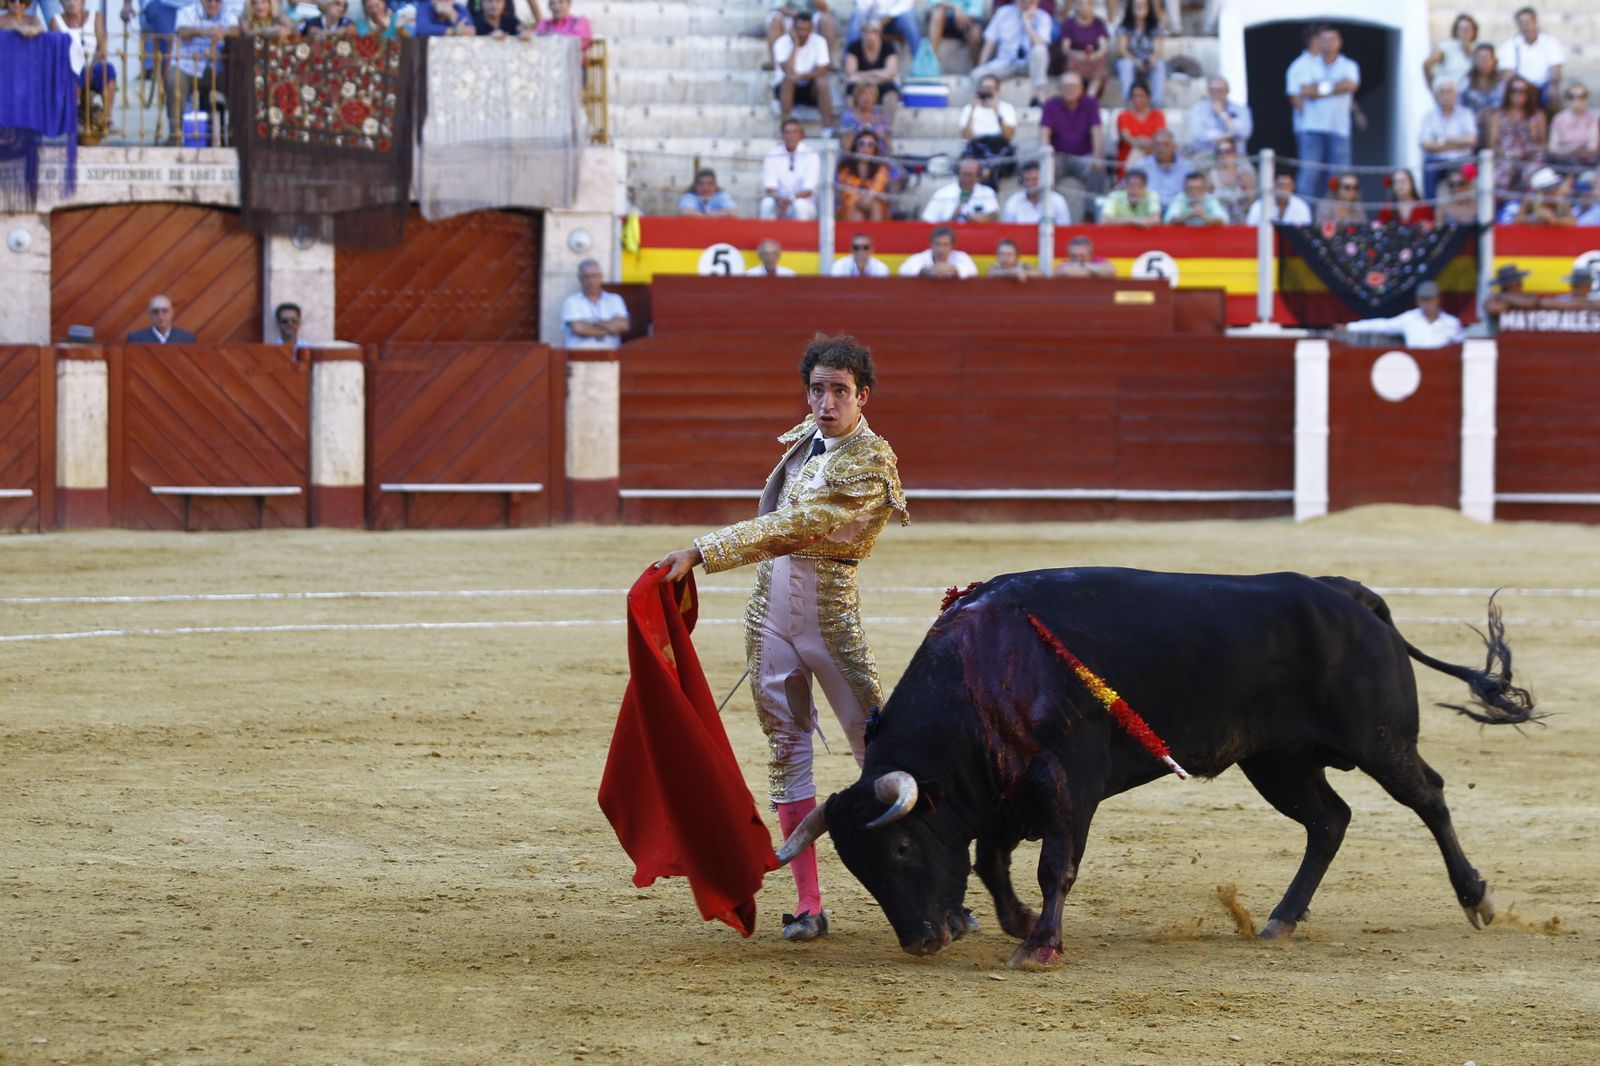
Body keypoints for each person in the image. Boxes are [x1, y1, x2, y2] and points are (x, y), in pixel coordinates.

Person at [652, 335, 907, 944]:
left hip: (830, 621)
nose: (825, 401)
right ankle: (808, 904)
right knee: (786, 751)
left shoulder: (871, 458)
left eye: (839, 391)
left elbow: (800, 525)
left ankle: (924, 890)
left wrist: (703, 550)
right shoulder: (800, 444)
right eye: (816, 389)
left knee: (880, 756)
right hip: (770, 617)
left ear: (862, 395)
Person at [1289, 25, 1360, 201]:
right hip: (1312, 128)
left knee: (1340, 178)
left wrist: (1319, 88)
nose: (1328, 44)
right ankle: (1305, 219)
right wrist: (1336, 86)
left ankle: (1338, 220)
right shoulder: (1305, 65)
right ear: (1318, 42)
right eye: (1324, 40)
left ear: (1340, 42)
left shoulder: (1349, 65)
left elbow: (1351, 85)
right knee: (1309, 175)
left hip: (1339, 129)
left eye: (1332, 40)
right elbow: (1304, 91)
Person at [166, 0, 237, 147]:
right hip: (187, 66)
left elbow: (237, 29)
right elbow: (181, 30)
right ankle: (175, 135)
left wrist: (226, 33)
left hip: (217, 68)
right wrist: (203, 31)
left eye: (217, 1)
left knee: (237, 84)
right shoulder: (187, 11)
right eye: (209, 1)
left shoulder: (228, 11)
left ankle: (235, 135)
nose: (213, 4)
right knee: (174, 82)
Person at [1040, 72, 1107, 202]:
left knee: (1098, 172)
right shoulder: (1050, 105)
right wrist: (1049, 158)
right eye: (1066, 86)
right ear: (1059, 89)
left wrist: (1097, 157)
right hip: (1059, 156)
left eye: (1074, 86)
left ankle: (1091, 215)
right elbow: (1044, 134)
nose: (1070, 89)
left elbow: (1097, 132)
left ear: (1081, 88)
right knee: (1046, 171)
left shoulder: (1091, 104)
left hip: (1084, 156)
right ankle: (1052, 212)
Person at [51, 0, 118, 128]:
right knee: (71, 77)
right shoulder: (56, 21)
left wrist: (90, 68)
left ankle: (107, 118)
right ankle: (73, 119)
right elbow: (58, 52)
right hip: (70, 66)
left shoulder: (95, 16)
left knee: (108, 70)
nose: (71, 3)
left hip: (93, 65)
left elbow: (102, 48)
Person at [972, 0, 1051, 104]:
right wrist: (981, 65)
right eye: (1023, 2)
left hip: (1030, 64)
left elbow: (1040, 43)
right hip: (1006, 63)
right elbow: (989, 43)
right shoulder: (1003, 13)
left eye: (1030, 2)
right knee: (977, 74)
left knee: (1040, 50)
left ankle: (1038, 96)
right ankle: (987, 103)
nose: (1026, 5)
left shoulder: (1043, 17)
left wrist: (1027, 23)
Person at [1344, 281, 1464, 348]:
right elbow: (1383, 325)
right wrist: (1350, 326)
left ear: (1438, 299)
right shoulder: (1410, 319)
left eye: (1430, 300)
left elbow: (1461, 346)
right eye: (1424, 300)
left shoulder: (1452, 323)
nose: (1427, 304)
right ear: (1418, 301)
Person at [773, 12, 836, 130]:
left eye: (806, 29)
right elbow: (788, 70)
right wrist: (795, 44)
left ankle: (827, 125)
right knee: (789, 80)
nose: (802, 33)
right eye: (799, 29)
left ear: (812, 29)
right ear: (792, 29)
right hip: (786, 87)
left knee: (822, 81)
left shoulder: (819, 41)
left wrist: (801, 77)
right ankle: (786, 124)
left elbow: (822, 70)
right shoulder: (781, 43)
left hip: (809, 87)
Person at [1486, 76, 1547, 196]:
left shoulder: (1538, 116)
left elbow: (1543, 143)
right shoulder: (1498, 115)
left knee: (1532, 175)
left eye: (1522, 91)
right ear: (1508, 93)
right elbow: (1492, 144)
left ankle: (1526, 210)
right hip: (1506, 156)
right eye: (1514, 91)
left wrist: (1530, 152)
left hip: (1531, 157)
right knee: (1501, 175)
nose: (1517, 95)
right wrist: (1508, 154)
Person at [1419, 78, 1478, 199]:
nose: (1446, 95)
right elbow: (1426, 144)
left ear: (1456, 94)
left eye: (1449, 91)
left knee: (1470, 172)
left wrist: (1442, 140)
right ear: (1436, 95)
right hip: (1437, 161)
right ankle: (1432, 212)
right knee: (1430, 172)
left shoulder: (1466, 114)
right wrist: (1458, 142)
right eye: (1442, 92)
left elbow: (1471, 140)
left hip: (1461, 160)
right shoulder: (1428, 117)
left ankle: (1470, 214)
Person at [1496, 6, 1563, 109]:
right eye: (1522, 23)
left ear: (1535, 22)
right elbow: (1508, 73)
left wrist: (1553, 85)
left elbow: (1555, 68)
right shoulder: (1510, 45)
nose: (1526, 26)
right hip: (1522, 86)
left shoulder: (1551, 42)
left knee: (1553, 94)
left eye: (1528, 22)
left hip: (1543, 85)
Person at [958, 74, 1018, 185]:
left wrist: (996, 111)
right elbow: (966, 136)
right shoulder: (968, 109)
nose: (988, 91)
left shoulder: (1006, 108)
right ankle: (986, 173)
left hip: (999, 147)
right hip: (977, 147)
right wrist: (972, 109)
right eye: (985, 88)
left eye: (991, 88)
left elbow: (1008, 136)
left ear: (997, 90)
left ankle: (985, 173)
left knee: (1001, 156)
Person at [760, 118, 821, 221]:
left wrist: (790, 199)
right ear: (782, 135)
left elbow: (809, 190)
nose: (790, 136)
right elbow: (770, 187)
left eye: (794, 132)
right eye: (787, 132)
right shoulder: (772, 154)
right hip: (779, 201)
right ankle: (767, 236)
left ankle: (800, 237)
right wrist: (781, 200)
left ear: (801, 135)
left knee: (799, 205)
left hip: (803, 203)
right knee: (767, 204)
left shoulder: (811, 155)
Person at [560, 260, 629, 349]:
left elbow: (623, 326)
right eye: (586, 277)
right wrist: (610, 326)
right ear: (580, 279)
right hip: (579, 354)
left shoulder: (615, 299)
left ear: (601, 277)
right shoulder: (572, 301)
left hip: (610, 354)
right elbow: (579, 329)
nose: (591, 280)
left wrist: (592, 323)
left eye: (594, 276)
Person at [1185, 76, 1253, 161]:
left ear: (1227, 91)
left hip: (1234, 156)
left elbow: (1244, 132)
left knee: (1247, 171)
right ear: (1208, 92)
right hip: (1206, 154)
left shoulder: (1240, 109)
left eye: (1220, 90)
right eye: (1213, 90)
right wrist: (1220, 137)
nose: (1216, 93)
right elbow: (1198, 134)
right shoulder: (1198, 108)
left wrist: (1223, 114)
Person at [844, 19, 901, 117]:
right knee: (851, 91)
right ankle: (854, 125)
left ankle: (887, 129)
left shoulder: (888, 47)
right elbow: (851, 74)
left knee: (891, 92)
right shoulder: (854, 47)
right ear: (862, 33)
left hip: (879, 84)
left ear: (880, 33)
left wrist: (863, 75)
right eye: (866, 31)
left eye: (874, 31)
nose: (870, 35)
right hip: (863, 85)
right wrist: (879, 74)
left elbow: (891, 73)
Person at [1114, 0, 1166, 107]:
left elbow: (1158, 50)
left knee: (1160, 65)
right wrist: (1136, 61)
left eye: (1143, 5)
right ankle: (1128, 101)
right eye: (1137, 5)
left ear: (1148, 7)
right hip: (1131, 60)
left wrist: (1152, 59)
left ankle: (1157, 103)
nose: (1140, 7)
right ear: (1131, 8)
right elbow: (1121, 50)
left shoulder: (1155, 27)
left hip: (1148, 62)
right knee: (1125, 64)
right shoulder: (1124, 27)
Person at [920, 157, 999, 223]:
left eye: (971, 175)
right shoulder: (942, 194)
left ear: (978, 176)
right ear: (958, 174)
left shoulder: (987, 192)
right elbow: (927, 221)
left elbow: (994, 216)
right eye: (965, 174)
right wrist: (952, 218)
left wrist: (978, 219)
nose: (967, 179)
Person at [835, 131, 892, 221]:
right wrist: (860, 200)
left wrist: (867, 200)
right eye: (861, 143)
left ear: (875, 149)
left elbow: (877, 188)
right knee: (858, 214)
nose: (865, 148)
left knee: (875, 204)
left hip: (872, 203)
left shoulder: (881, 168)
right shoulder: (846, 167)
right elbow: (847, 191)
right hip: (850, 205)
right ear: (856, 146)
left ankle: (876, 234)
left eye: (870, 145)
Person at [766, 0, 838, 71]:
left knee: (827, 20)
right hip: (790, 16)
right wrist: (799, 17)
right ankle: (774, 62)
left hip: (813, 16)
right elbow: (779, 6)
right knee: (775, 20)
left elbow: (825, 8)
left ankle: (828, 62)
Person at [1058, 0, 1108, 99]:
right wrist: (1078, 55)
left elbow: (1103, 47)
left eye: (1088, 4)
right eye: (1081, 4)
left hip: (1093, 58)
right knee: (1072, 63)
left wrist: (1094, 55)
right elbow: (1065, 48)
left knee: (1100, 66)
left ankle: (1090, 99)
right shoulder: (1069, 23)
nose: (1084, 7)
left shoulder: (1098, 23)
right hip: (1075, 58)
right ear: (1076, 5)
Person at [1114, 80, 1162, 178]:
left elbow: (1160, 136)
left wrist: (1147, 144)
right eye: (1134, 96)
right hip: (1128, 156)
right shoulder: (1124, 116)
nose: (1137, 99)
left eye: (1141, 96)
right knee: (1137, 151)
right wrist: (1139, 142)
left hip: (1151, 153)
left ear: (1148, 97)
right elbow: (1126, 136)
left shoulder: (1158, 115)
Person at [1132, 129, 1192, 204]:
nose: (1161, 148)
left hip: (1177, 208)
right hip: (1150, 207)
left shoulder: (1186, 165)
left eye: (1166, 144)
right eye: (1157, 145)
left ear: (1174, 146)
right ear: (1153, 146)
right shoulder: (1142, 165)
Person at [1000, 160, 1070, 223]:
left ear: (1044, 179)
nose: (1030, 183)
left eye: (1035, 179)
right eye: (1027, 180)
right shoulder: (1013, 202)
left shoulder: (1058, 201)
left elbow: (1065, 231)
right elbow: (1007, 233)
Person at [1548, 83, 1599, 169]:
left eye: (1581, 96)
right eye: (1572, 97)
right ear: (1567, 99)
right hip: (1562, 160)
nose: (1577, 100)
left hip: (1584, 160)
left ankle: (1570, 180)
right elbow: (1552, 147)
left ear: (1586, 99)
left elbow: (1593, 147)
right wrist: (1570, 149)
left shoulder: (1592, 118)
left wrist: (1575, 150)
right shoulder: (1558, 118)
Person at [1206, 136, 1256, 223]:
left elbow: (1251, 202)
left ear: (1235, 153)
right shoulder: (1211, 176)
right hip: (1218, 224)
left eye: (1228, 151)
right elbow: (1205, 200)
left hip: (1240, 223)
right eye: (1220, 152)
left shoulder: (1244, 175)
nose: (1224, 155)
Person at [927, 0, 986, 73]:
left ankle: (977, 69)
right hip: (945, 18)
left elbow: (977, 10)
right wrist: (954, 8)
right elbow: (934, 2)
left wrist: (963, 16)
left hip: (967, 19)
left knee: (976, 32)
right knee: (938, 12)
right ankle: (930, 63)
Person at [898, 225, 978, 277]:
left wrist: (953, 270)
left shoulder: (961, 257)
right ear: (931, 245)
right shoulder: (920, 257)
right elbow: (903, 270)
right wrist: (926, 270)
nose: (941, 249)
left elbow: (973, 271)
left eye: (945, 244)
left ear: (952, 246)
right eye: (937, 244)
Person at [1424, 13, 1478, 89]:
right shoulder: (1446, 48)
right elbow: (1427, 64)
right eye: (1462, 30)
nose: (1465, 33)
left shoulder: (1478, 49)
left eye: (1468, 30)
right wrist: (1432, 87)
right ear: (1456, 31)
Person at [847, 0, 920, 56]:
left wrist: (888, 16)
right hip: (870, 18)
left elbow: (906, 4)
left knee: (908, 18)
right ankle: (849, 61)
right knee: (857, 16)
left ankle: (920, 63)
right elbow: (861, 4)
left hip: (895, 19)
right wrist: (874, 20)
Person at [1481, 264, 1538, 332]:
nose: (1519, 287)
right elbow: (1492, 308)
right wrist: (1514, 303)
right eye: (1512, 286)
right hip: (1500, 340)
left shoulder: (1527, 296)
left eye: (1518, 284)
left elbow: (1532, 302)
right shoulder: (1494, 300)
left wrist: (1504, 298)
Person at [1246, 170, 1312, 225]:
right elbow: (1251, 228)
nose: (1284, 189)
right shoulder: (1260, 206)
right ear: (1274, 185)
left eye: (1287, 185)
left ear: (1293, 186)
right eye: (1280, 185)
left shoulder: (1301, 207)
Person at [1459, 42, 1507, 118]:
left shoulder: (1501, 81)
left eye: (1486, 58)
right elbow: (1459, 102)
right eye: (1480, 58)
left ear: (1494, 60)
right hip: (1470, 120)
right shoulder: (1467, 80)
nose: (1483, 62)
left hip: (1495, 120)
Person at [1163, 172, 1227, 226]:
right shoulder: (1180, 199)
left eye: (1198, 188)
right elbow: (1168, 220)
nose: (1194, 192)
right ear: (1185, 189)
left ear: (1204, 189)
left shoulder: (1210, 199)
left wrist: (1204, 217)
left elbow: (1223, 221)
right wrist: (1189, 216)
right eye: (1190, 188)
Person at [127, 295, 197, 343]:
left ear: (172, 313)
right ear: (149, 314)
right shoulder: (136, 339)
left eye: (165, 311)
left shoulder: (186, 339)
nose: (160, 315)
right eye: (155, 311)